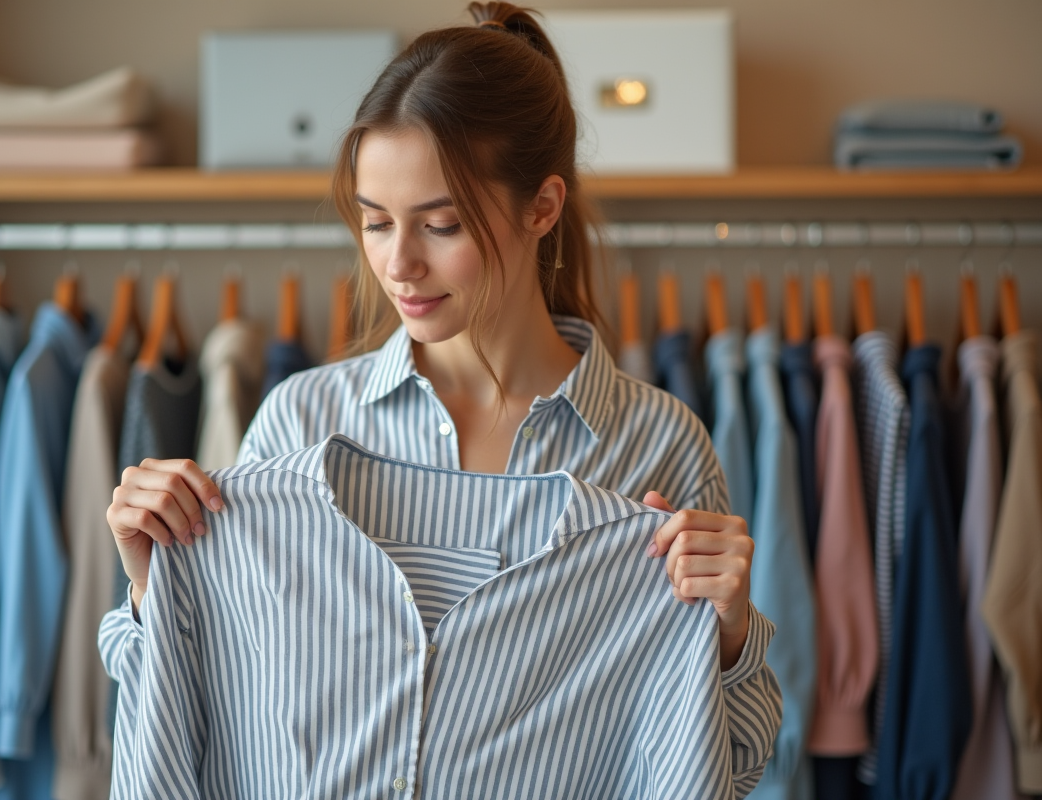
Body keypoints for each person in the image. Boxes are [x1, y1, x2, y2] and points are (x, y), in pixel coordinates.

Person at [104, 1, 780, 792]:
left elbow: (733, 764)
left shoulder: (658, 443)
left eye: (441, 225)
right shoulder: (300, 420)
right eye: (376, 223)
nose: (399, 265)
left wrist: (728, 635)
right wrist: (154, 586)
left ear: (543, 207)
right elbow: (211, 704)